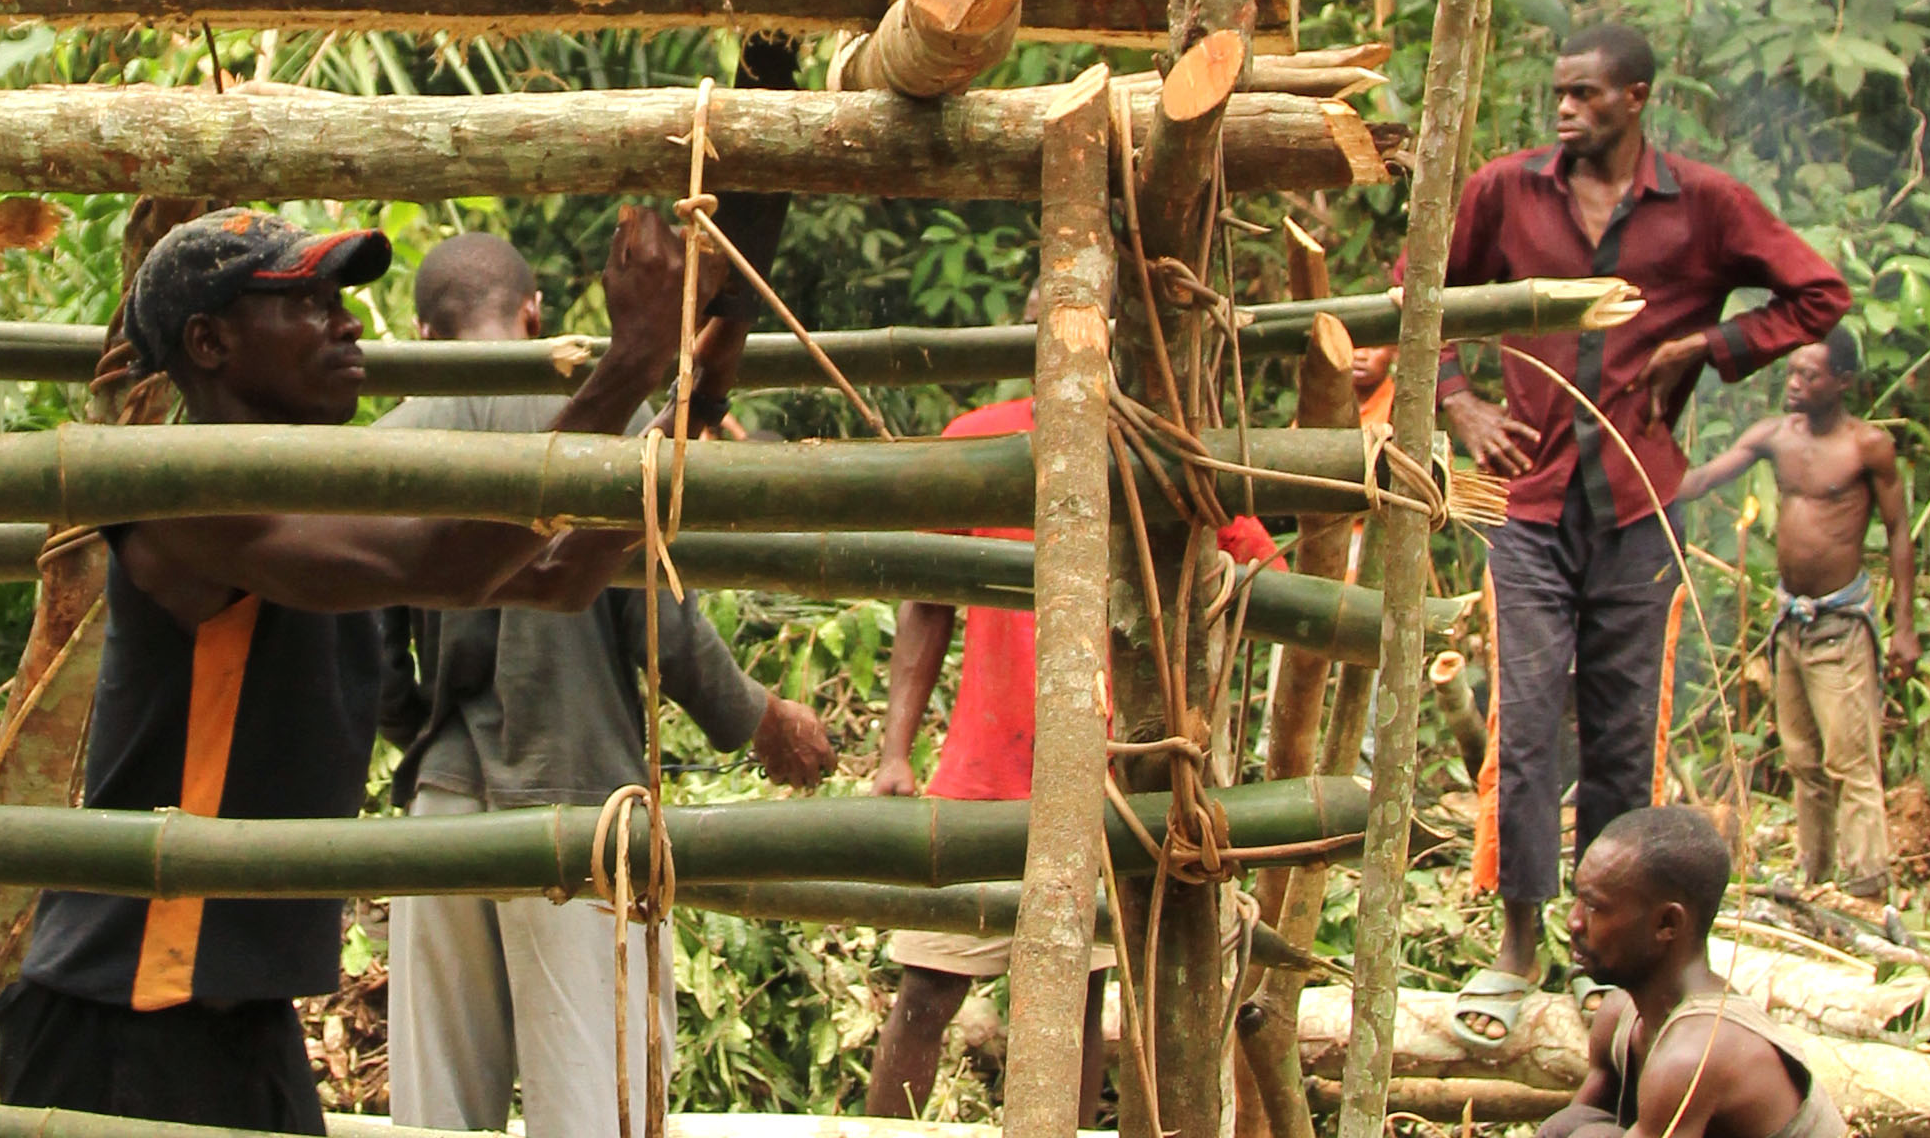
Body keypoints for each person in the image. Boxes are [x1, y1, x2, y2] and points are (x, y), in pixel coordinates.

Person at [0, 203, 722, 1136]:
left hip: (236, 1012)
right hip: (133, 1008)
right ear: (210, 343)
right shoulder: (184, 494)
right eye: (305, 301)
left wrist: (690, 385)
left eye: (342, 299)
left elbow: (558, 577)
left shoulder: (318, 490)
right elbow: (453, 562)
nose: (346, 323)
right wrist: (628, 364)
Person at [1432, 30, 1849, 1044]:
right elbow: (1420, 289)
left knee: (1621, 732)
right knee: (1526, 726)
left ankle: (1608, 963)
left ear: (1636, 96)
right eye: (1558, 94)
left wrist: (1709, 343)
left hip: (1636, 505)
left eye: (1586, 94)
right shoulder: (1505, 189)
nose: (1565, 110)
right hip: (1527, 503)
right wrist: (1457, 402)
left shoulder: (1700, 202)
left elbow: (1818, 293)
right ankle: (1517, 944)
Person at [379, 231, 836, 1138]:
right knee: (597, 1100)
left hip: (440, 812)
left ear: (421, 333)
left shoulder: (389, 443)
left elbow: (373, 668)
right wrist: (758, 718)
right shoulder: (607, 428)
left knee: (437, 1112)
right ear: (536, 316)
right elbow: (655, 619)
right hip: (580, 808)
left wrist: (433, 737)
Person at [864, 337, 1278, 1120]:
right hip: (984, 777)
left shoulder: (1168, 454)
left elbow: (1256, 573)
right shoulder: (980, 442)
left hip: (1113, 781)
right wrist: (895, 753)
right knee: (928, 986)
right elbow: (925, 598)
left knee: (1077, 996)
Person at [1677, 325, 1917, 899]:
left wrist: (1905, 625)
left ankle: (1865, 886)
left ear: (1842, 382)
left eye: (1809, 375)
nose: (1795, 384)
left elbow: (1899, 532)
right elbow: (1704, 478)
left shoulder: (1867, 447)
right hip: (1791, 621)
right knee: (1804, 758)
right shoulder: (1774, 437)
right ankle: (1815, 874)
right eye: (1791, 373)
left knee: (1849, 761)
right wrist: (1638, 464)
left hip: (1841, 622)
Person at [1536, 804, 1845, 1138]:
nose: (1574, 921)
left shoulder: (1692, 1054)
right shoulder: (1618, 1017)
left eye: (1595, 907)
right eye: (1578, 901)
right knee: (1565, 1128)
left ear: (1667, 924)